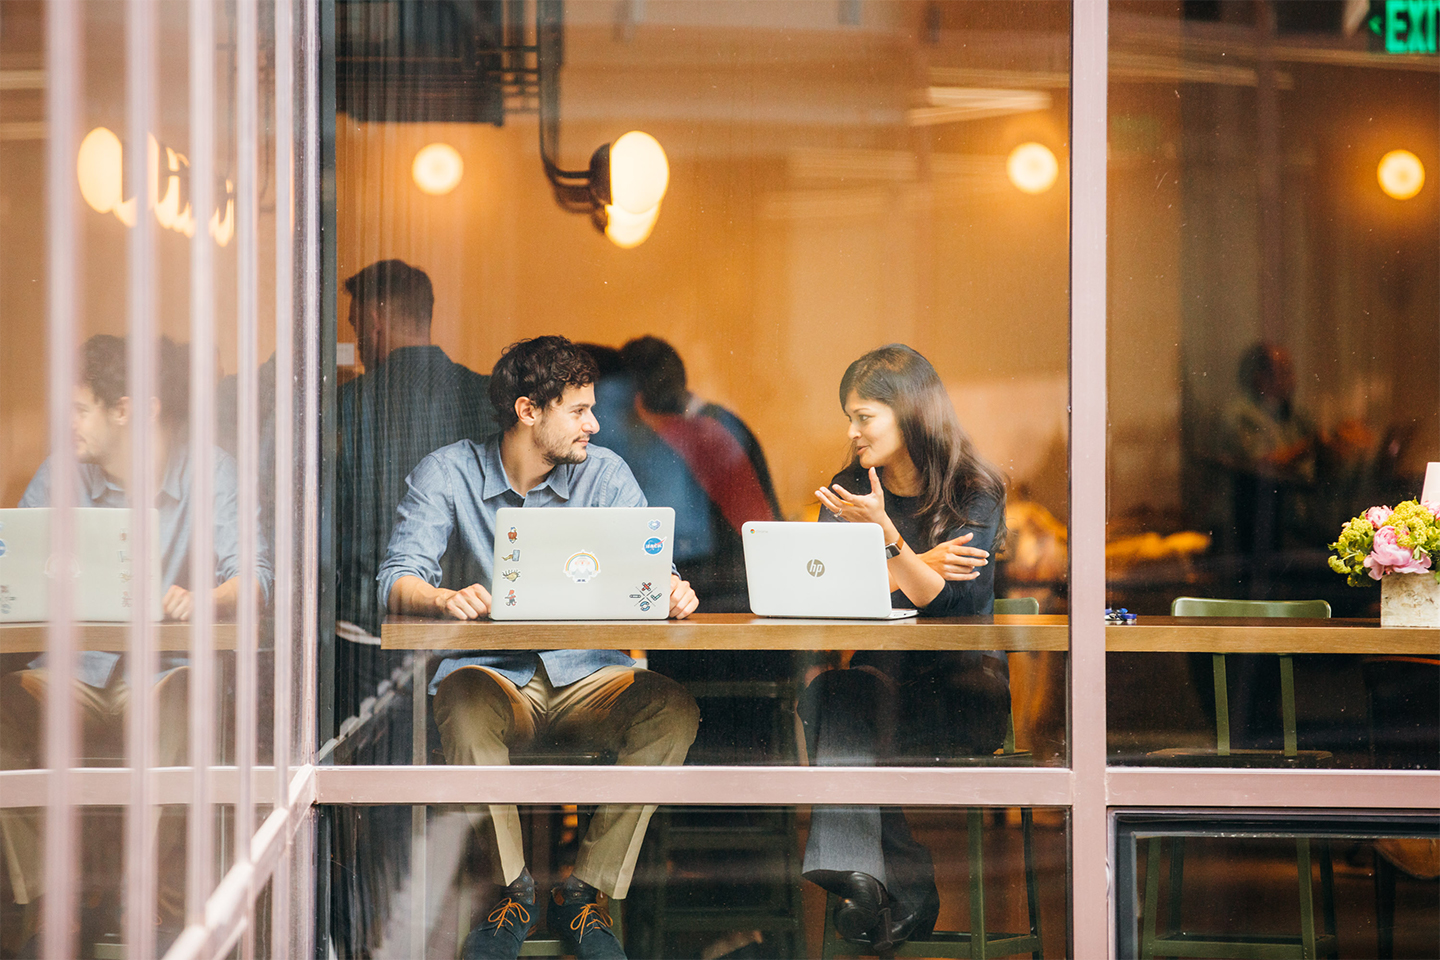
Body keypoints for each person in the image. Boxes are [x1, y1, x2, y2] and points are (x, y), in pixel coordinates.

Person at [377, 335, 700, 960]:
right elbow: (396, 576)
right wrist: (442, 599)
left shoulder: (604, 472)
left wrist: (672, 593)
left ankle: (585, 895)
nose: (595, 424)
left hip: (591, 681)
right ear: (530, 411)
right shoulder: (449, 471)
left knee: (672, 711)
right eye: (578, 410)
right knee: (463, 702)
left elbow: (650, 571)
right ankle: (511, 891)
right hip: (494, 680)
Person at [0, 334, 270, 951]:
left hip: (162, 673)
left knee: (182, 703)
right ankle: (50, 899)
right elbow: (9, 568)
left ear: (130, 409)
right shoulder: (59, 473)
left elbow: (255, 577)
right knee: (5, 708)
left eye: (79, 409)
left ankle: (148, 895)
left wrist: (206, 600)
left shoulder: (213, 472)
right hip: (71, 673)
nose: (66, 423)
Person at [798, 344, 1007, 952]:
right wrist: (916, 569)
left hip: (959, 692)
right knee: (836, 694)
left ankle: (881, 876)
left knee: (838, 705)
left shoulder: (974, 487)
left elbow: (954, 608)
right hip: (875, 685)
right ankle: (884, 878)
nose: (852, 431)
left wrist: (888, 540)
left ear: (910, 413)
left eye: (865, 416)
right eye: (849, 416)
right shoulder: (846, 490)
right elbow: (826, 600)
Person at [334, 259, 498, 725]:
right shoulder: (489, 399)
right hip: (473, 635)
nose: (358, 341)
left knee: (371, 779)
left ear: (374, 321)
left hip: (366, 635)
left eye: (355, 325)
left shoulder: (346, 407)